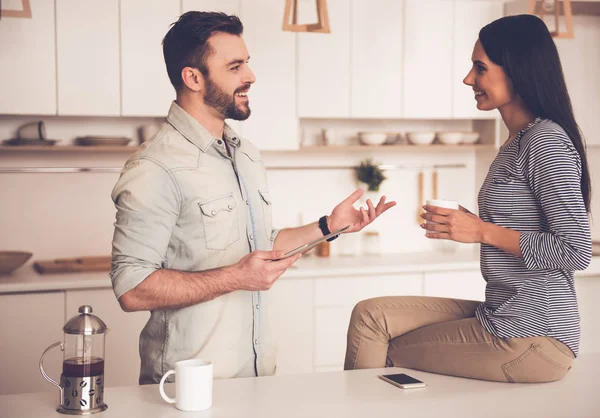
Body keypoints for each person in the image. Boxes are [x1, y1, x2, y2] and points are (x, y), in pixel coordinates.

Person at [110, 11, 395, 385]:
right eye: (235, 66)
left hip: (257, 380)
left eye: (247, 63)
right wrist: (235, 277)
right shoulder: (156, 166)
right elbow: (131, 287)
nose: (250, 76)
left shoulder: (244, 153)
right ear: (193, 78)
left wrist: (329, 226)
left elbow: (259, 245)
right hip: (188, 389)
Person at [344, 14, 592, 383]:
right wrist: (468, 222)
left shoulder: (546, 141)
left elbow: (575, 250)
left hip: (534, 335)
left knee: (382, 344)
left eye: (480, 68)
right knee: (370, 315)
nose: (468, 79)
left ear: (519, 71)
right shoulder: (516, 140)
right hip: (504, 313)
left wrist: (480, 231)